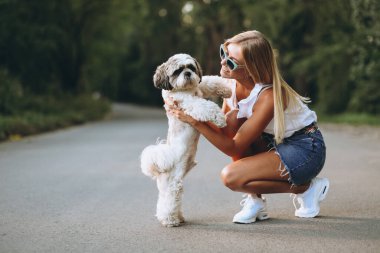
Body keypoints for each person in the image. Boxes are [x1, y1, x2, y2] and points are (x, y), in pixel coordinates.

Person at [167, 30, 329, 224]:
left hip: (304, 148)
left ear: (252, 69)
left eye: (231, 62)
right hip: (273, 142)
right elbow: (227, 131)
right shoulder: (231, 84)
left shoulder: (268, 96)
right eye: (223, 53)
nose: (223, 62)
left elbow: (233, 147)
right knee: (233, 119)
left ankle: (306, 188)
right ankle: (256, 201)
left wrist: (194, 120)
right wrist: (188, 102)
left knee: (231, 177)